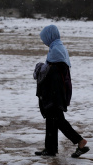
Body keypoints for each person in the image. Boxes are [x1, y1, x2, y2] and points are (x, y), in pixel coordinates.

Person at [33, 24, 89, 158]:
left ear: (49, 36)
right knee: (52, 120)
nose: (43, 42)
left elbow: (54, 71)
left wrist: (41, 68)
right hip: (57, 91)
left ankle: (80, 141)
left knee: (57, 120)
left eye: (44, 38)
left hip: (55, 92)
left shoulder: (56, 50)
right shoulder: (56, 47)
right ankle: (50, 149)